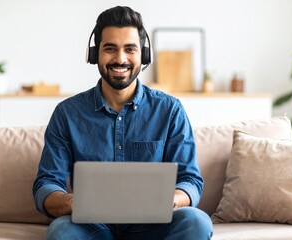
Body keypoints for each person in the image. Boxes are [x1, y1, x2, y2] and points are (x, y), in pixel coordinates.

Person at [32, 5, 213, 240]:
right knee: (60, 231)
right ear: (95, 54)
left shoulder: (170, 110)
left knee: (197, 222)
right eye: (110, 49)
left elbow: (190, 180)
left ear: (143, 55)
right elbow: (46, 183)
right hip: (91, 226)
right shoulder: (67, 113)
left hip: (153, 226)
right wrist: (71, 202)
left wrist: (172, 199)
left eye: (130, 49)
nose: (120, 59)